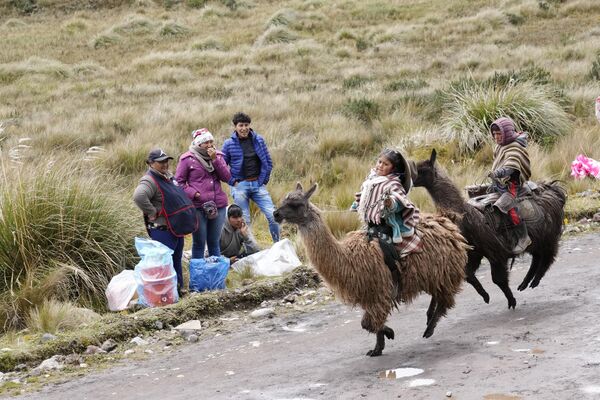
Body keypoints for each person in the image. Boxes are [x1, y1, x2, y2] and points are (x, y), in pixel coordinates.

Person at [133, 148, 198, 294]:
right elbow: (139, 196)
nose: (165, 164)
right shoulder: (149, 180)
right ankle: (166, 295)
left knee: (176, 260)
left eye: (166, 161)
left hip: (175, 228)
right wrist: (152, 212)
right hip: (162, 230)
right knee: (164, 264)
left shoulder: (168, 176)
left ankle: (179, 289)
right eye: (160, 162)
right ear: (150, 163)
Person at [221, 112, 280, 242]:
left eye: (246, 125)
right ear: (235, 127)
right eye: (241, 125)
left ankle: (278, 245)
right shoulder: (228, 144)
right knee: (244, 220)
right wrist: (232, 181)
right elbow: (221, 166)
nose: (244, 128)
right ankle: (251, 249)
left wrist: (263, 180)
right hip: (240, 185)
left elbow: (268, 162)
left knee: (273, 215)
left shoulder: (258, 140)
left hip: (258, 184)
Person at [353, 148, 421, 257]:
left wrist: (390, 203)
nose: (380, 165)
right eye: (379, 162)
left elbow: (400, 201)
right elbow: (366, 196)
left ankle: (394, 267)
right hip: (370, 223)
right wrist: (358, 203)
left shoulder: (393, 183)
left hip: (386, 223)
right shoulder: (371, 180)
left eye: (386, 164)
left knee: (385, 248)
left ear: (393, 168)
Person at [175, 128, 231, 259]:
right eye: (206, 142)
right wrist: (195, 194)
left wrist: (215, 160)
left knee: (214, 241)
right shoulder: (187, 159)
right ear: (198, 144)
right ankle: (198, 273)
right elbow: (178, 182)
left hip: (219, 205)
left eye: (211, 141)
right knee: (199, 242)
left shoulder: (218, 156)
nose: (210, 145)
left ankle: (217, 275)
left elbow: (227, 177)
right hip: (198, 207)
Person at [488, 116, 532, 255]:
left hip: (512, 184)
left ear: (506, 132)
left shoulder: (515, 146)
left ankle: (524, 237)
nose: (496, 136)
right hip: (500, 183)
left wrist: (499, 172)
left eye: (499, 133)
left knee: (508, 206)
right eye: (494, 134)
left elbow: (511, 167)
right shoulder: (500, 146)